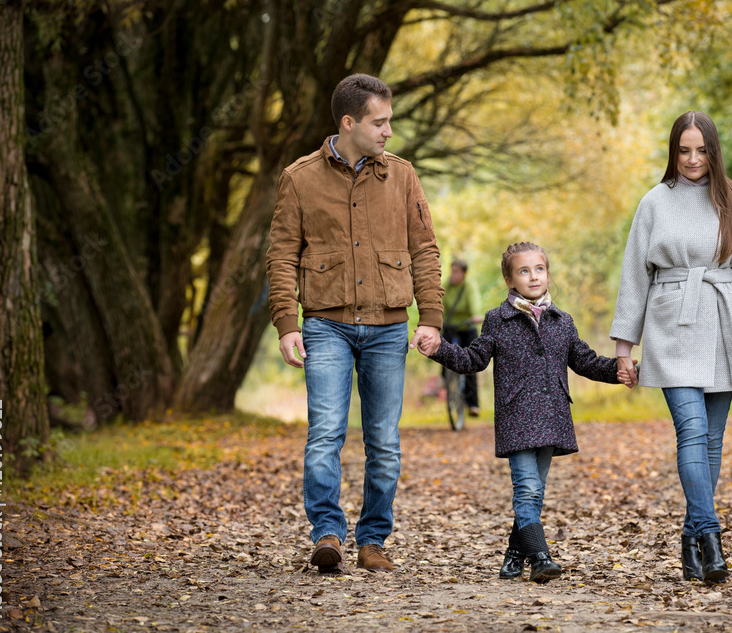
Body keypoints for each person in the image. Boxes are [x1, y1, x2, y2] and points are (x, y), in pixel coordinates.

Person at [265, 73, 444, 575]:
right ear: (349, 123)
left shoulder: (403, 176)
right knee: (325, 434)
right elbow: (281, 256)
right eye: (379, 122)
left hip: (389, 326)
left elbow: (425, 249)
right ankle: (326, 533)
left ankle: (373, 541)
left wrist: (430, 317)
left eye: (389, 121)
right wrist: (286, 321)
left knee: (384, 441)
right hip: (325, 324)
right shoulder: (299, 177)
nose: (389, 130)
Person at [610, 111, 732, 584]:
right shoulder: (654, 202)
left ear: (714, 151)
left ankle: (691, 535)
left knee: (713, 440)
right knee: (692, 432)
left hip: (724, 324)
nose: (693, 159)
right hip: (672, 322)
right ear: (673, 152)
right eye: (683, 150)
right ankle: (711, 535)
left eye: (702, 150)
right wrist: (623, 349)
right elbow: (635, 276)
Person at [417, 242, 625, 582]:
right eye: (524, 271)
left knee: (535, 490)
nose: (533, 276)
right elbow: (473, 360)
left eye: (539, 269)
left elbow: (586, 362)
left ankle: (514, 555)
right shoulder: (498, 320)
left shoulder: (562, 321)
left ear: (547, 274)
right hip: (516, 418)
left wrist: (622, 369)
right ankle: (540, 557)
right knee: (527, 489)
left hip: (553, 416)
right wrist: (440, 348)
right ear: (509, 279)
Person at [441, 258, 483, 416]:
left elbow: (475, 301)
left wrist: (476, 315)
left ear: (464, 273)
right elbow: (439, 303)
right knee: (443, 356)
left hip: (467, 326)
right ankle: (446, 380)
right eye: (452, 271)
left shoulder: (469, 286)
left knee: (471, 364)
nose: (453, 274)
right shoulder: (447, 286)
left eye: (456, 271)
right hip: (450, 326)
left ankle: (473, 405)